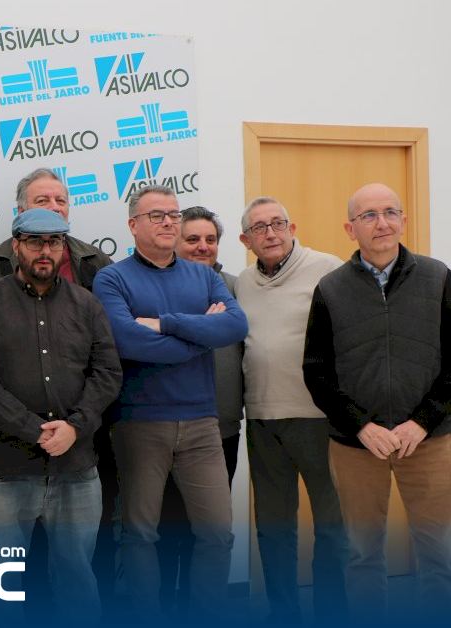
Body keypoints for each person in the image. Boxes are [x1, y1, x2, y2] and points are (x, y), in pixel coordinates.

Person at [304, 182, 451, 622]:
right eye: (369, 215)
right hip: (357, 446)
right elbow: (317, 373)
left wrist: (422, 422)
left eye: (391, 212)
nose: (382, 223)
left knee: (440, 556)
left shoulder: (438, 278)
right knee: (362, 556)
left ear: (403, 220)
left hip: (428, 441)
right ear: (350, 228)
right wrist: (361, 425)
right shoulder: (330, 289)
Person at [92, 185, 247, 621]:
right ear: (132, 225)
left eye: (173, 215)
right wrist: (200, 336)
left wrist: (165, 324)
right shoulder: (112, 278)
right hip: (140, 425)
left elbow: (235, 326)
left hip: (202, 423)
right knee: (140, 534)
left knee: (217, 533)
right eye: (156, 215)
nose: (168, 222)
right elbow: (126, 340)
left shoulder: (205, 276)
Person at [0, 208, 121, 622]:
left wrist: (75, 427)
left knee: (77, 577)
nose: (44, 251)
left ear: (63, 247)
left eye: (54, 242)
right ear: (16, 246)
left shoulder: (86, 304)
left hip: (75, 467)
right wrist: (35, 429)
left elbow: (107, 372)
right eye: (34, 242)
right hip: (5, 470)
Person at [235, 196, 347, 622]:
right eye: (259, 228)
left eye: (278, 223)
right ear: (246, 240)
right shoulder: (242, 283)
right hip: (263, 419)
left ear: (292, 227)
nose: (270, 233)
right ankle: (284, 614)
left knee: (334, 526)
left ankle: (332, 614)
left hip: (320, 419)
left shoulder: (328, 269)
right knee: (273, 527)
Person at [156, 206, 246, 614]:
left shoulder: (233, 289)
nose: (202, 247)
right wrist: (203, 325)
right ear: (174, 242)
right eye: (192, 239)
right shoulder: (155, 288)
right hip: (163, 430)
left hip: (221, 431)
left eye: (210, 240)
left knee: (208, 533)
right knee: (165, 531)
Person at [0, 167, 113, 290]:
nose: (55, 207)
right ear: (22, 212)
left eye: (60, 201)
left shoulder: (96, 260)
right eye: (42, 201)